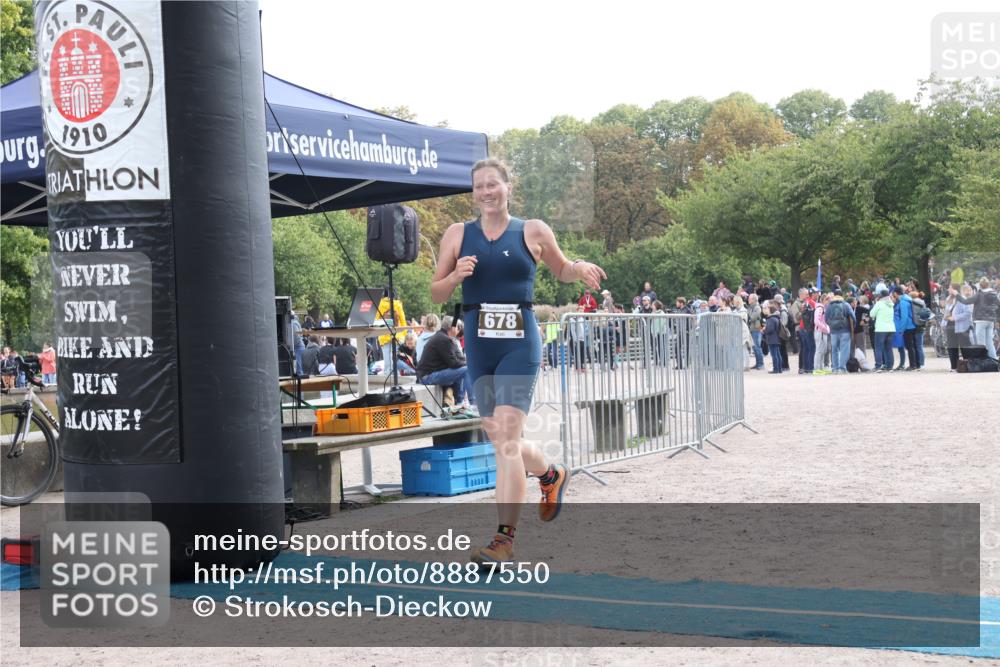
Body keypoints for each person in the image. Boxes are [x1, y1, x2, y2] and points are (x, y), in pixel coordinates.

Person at [430, 157, 606, 565]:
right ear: (473, 193)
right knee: (503, 441)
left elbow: (561, 269)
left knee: (506, 442)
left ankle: (503, 539)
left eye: (493, 185)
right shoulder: (457, 235)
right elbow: (437, 293)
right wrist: (455, 277)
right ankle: (550, 474)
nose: (486, 192)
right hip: (478, 346)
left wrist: (577, 268)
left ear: (508, 188)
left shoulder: (532, 230)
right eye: (479, 187)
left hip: (518, 345)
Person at [415, 316, 470, 406]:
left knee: (463, 369)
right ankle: (471, 402)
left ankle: (459, 402)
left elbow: (458, 359)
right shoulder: (444, 339)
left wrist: (464, 363)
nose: (458, 329)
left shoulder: (442, 337)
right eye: (457, 327)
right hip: (427, 377)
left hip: (427, 374)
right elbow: (454, 363)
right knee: (467, 369)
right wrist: (468, 364)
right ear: (451, 327)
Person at [953, 277, 999, 361]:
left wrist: (957, 295)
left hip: (980, 320)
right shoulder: (994, 293)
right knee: (989, 342)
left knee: (981, 343)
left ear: (980, 285)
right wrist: (997, 320)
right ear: (988, 284)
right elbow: (998, 307)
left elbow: (966, 301)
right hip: (991, 321)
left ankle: (983, 361)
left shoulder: (979, 294)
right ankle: (994, 360)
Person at [375, 292, 408, 375]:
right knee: (392, 356)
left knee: (387, 356)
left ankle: (388, 373)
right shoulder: (397, 304)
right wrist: (402, 335)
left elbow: (376, 320)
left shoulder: (380, 305)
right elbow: (403, 321)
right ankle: (393, 374)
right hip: (396, 335)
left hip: (384, 335)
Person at [942, 288, 973, 371]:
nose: (948, 289)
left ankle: (968, 366)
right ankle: (954, 366)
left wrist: (955, 318)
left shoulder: (963, 299)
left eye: (950, 288)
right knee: (952, 346)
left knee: (964, 346)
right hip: (950, 326)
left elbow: (968, 313)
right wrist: (944, 322)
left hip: (961, 326)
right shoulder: (949, 298)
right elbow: (946, 312)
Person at [869, 288, 896, 371]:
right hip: (891, 328)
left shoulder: (879, 303)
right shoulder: (891, 304)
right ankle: (890, 366)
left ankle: (878, 366)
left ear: (881, 296)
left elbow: (871, 314)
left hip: (881, 328)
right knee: (889, 348)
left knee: (878, 348)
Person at [762, 302, 784, 373]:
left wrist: (764, 330)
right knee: (777, 354)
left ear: (770, 310)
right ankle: (779, 368)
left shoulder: (771, 319)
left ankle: (776, 369)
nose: (766, 310)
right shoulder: (775, 318)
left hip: (772, 339)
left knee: (774, 355)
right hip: (776, 339)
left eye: (767, 309)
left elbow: (770, 329)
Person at [746, 294, 764, 370]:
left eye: (749, 298)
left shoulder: (757, 307)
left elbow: (752, 318)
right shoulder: (751, 307)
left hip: (757, 329)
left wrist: (748, 315)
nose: (748, 300)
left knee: (757, 347)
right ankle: (757, 363)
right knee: (754, 347)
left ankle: (761, 364)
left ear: (754, 299)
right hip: (752, 329)